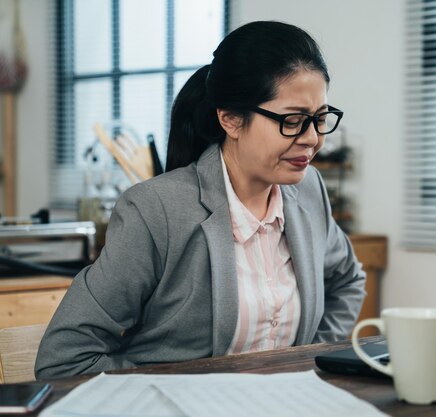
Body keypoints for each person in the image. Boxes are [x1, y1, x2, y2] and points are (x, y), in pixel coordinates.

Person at [35, 21, 366, 379]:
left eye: (319, 119)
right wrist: (178, 393)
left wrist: (306, 363)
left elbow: (347, 279)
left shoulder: (307, 190)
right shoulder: (156, 211)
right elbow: (64, 358)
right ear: (231, 119)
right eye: (293, 121)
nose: (313, 139)